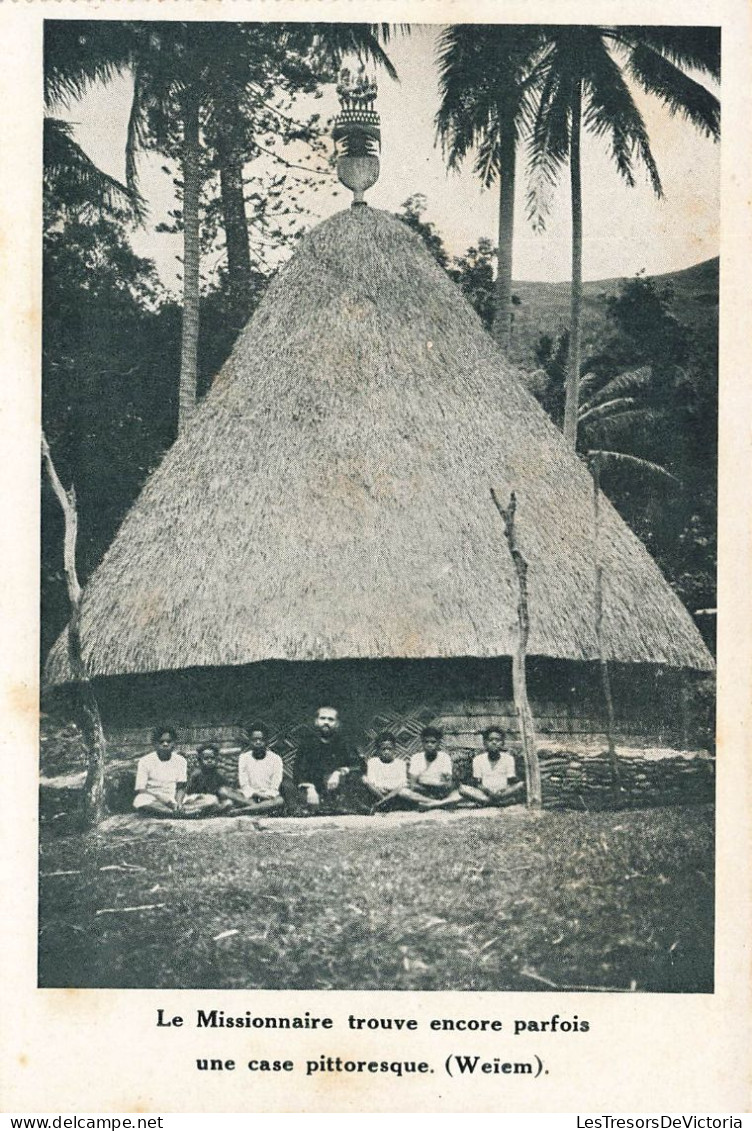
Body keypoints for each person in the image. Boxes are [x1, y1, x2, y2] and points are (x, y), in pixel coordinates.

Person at [289, 706, 354, 813]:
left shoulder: (344, 743)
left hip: (335, 790)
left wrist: (338, 773)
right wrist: (309, 788)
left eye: (330, 719)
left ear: (337, 723)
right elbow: (298, 771)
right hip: (312, 791)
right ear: (316, 721)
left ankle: (335, 807)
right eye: (322, 718)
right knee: (287, 785)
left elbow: (359, 765)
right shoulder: (307, 743)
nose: (326, 722)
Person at [459, 726, 525, 808]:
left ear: (503, 743)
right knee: (463, 789)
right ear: (485, 743)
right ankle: (499, 802)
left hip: (502, 792)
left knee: (521, 784)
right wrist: (488, 792)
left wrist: (502, 791)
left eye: (498, 740)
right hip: (485, 793)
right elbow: (478, 783)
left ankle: (488, 802)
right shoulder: (478, 759)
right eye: (490, 740)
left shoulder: (509, 759)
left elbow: (510, 781)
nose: (494, 742)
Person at [132, 727, 189, 817]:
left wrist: (179, 803)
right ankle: (174, 814)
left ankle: (176, 811)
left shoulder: (181, 761)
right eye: (161, 741)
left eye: (169, 741)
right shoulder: (145, 761)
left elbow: (181, 787)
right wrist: (164, 800)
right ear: (155, 744)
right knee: (140, 801)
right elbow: (141, 789)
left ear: (174, 743)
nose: (165, 744)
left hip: (174, 798)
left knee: (210, 800)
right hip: (154, 799)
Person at [405, 726, 462, 809]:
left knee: (461, 792)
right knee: (405, 792)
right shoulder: (416, 758)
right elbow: (413, 784)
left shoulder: (444, 757)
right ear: (422, 743)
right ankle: (439, 803)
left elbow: (448, 783)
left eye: (433, 742)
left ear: (438, 743)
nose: (429, 745)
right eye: (426, 742)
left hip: (440, 792)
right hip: (423, 792)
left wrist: (440, 785)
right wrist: (428, 789)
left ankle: (432, 804)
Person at [235, 723, 285, 815]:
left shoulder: (276, 759)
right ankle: (259, 808)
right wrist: (256, 794)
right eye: (254, 740)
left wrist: (265, 795)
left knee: (279, 801)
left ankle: (242, 811)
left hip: (268, 797)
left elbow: (275, 786)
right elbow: (244, 785)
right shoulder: (243, 758)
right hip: (250, 797)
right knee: (227, 792)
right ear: (249, 741)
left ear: (267, 741)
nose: (258, 742)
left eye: (261, 739)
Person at [181, 742, 234, 818]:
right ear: (200, 760)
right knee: (211, 801)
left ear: (216, 760)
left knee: (228, 803)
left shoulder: (219, 774)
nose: (209, 761)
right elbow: (189, 792)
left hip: (214, 801)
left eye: (212, 758)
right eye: (206, 758)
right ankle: (194, 812)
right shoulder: (196, 774)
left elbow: (225, 789)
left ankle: (209, 812)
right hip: (198, 800)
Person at [362, 731, 409, 811]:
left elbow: (402, 782)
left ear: (394, 749)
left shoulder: (400, 763)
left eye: (389, 749)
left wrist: (387, 787)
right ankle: (386, 803)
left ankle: (382, 803)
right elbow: (373, 781)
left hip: (395, 794)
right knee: (365, 779)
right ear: (378, 750)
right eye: (383, 749)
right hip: (378, 793)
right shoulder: (373, 762)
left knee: (405, 785)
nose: (386, 752)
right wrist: (384, 787)